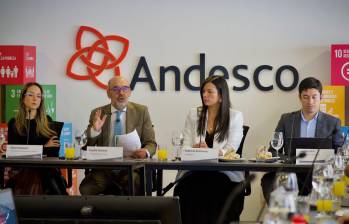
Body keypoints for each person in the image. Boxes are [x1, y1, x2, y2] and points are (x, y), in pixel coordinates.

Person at [174, 75, 245, 224]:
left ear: (221, 96)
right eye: (203, 92)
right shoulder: (194, 114)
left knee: (217, 186)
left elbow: (231, 149)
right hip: (195, 170)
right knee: (185, 187)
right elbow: (185, 146)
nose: (204, 95)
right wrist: (194, 148)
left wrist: (210, 151)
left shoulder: (235, 116)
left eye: (210, 92)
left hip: (223, 172)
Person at [261, 77, 343, 203]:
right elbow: (273, 149)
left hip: (319, 173)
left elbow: (340, 153)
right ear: (299, 97)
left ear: (321, 97)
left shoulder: (332, 122)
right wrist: (288, 160)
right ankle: (282, 214)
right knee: (268, 179)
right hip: (292, 171)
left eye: (314, 97)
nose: (310, 101)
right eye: (305, 97)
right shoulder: (287, 119)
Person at [79, 76, 157, 195]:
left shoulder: (141, 111)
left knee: (134, 183)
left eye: (125, 89)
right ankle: (95, 213)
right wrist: (95, 131)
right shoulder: (98, 113)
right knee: (87, 188)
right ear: (108, 93)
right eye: (115, 89)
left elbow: (151, 143)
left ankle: (130, 214)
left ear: (130, 92)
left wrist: (146, 151)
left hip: (131, 167)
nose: (121, 93)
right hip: (104, 169)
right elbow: (86, 147)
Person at [6, 82, 67, 195]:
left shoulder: (48, 121)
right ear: (23, 98)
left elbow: (53, 151)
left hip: (46, 171)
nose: (35, 99)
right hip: (22, 171)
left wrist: (35, 150)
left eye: (38, 96)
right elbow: (14, 152)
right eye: (31, 95)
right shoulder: (14, 123)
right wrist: (43, 148)